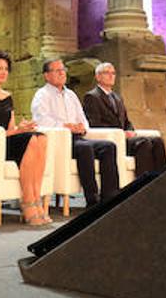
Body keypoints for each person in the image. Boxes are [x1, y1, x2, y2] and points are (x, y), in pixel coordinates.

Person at [0, 50, 50, 226]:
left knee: (40, 137)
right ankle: (28, 203)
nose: (4, 72)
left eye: (6, 69)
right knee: (31, 140)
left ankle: (36, 199)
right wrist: (17, 132)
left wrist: (22, 128)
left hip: (9, 139)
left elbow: (11, 128)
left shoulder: (7, 96)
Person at [32, 59, 120, 208]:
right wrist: (66, 126)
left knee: (108, 146)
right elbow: (41, 121)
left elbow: (83, 118)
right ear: (47, 76)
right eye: (57, 70)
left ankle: (110, 198)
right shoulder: (42, 95)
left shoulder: (71, 95)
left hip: (78, 138)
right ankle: (92, 200)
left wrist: (82, 127)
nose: (62, 73)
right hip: (59, 140)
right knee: (85, 148)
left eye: (63, 70)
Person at [82, 62, 166, 178]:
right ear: (98, 76)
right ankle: (142, 185)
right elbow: (95, 124)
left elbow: (127, 121)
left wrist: (131, 131)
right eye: (107, 73)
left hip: (125, 138)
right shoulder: (92, 97)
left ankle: (164, 180)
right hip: (112, 140)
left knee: (157, 141)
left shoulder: (117, 98)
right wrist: (121, 134)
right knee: (144, 143)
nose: (111, 76)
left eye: (113, 73)